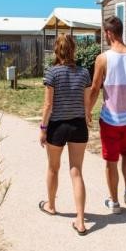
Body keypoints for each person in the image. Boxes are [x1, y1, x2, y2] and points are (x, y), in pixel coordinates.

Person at [89, 16, 126, 214]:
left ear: (109, 33)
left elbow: (95, 88)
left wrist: (86, 111)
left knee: (111, 160)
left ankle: (114, 202)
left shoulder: (103, 58)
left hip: (110, 119)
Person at [39, 34, 92, 235]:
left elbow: (48, 105)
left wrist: (43, 129)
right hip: (78, 125)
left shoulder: (52, 73)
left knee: (53, 167)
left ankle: (51, 205)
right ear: (73, 50)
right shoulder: (84, 73)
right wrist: (87, 116)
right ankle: (80, 220)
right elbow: (87, 103)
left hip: (57, 126)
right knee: (76, 170)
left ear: (56, 50)